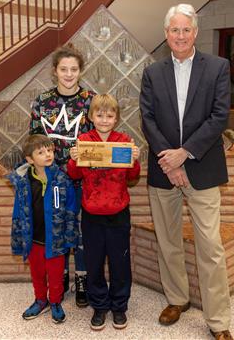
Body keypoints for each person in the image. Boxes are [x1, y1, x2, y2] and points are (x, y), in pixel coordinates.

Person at [139, 4, 234, 340]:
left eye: (186, 30)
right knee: (168, 241)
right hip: (164, 169)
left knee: (210, 245)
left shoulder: (218, 67)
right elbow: (147, 119)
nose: (180, 36)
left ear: (195, 33)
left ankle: (218, 321)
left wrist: (185, 154)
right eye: (174, 30)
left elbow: (219, 117)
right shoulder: (152, 73)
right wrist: (170, 160)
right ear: (166, 34)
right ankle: (177, 299)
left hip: (202, 167)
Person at [67, 94, 140, 331]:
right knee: (94, 261)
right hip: (92, 213)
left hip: (118, 212)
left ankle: (119, 306)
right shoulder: (85, 141)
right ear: (91, 116)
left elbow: (132, 177)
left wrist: (135, 160)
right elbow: (74, 175)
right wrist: (73, 160)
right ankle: (99, 305)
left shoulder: (124, 141)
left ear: (116, 118)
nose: (104, 120)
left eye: (109, 115)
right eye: (99, 115)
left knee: (120, 262)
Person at [29, 43, 95, 307]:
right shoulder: (42, 102)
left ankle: (81, 278)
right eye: (63, 69)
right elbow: (33, 141)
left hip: (82, 180)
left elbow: (98, 142)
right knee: (56, 230)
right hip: (52, 181)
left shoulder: (90, 100)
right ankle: (61, 276)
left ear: (80, 71)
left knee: (79, 230)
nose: (69, 74)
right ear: (55, 72)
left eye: (74, 69)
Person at [7, 134, 77, 324]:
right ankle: (40, 300)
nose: (47, 154)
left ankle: (55, 302)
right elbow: (18, 210)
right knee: (37, 273)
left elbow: (71, 208)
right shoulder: (23, 181)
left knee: (55, 276)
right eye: (41, 152)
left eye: (49, 150)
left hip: (55, 239)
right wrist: (18, 236)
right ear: (30, 159)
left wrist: (70, 235)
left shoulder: (62, 179)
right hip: (33, 239)